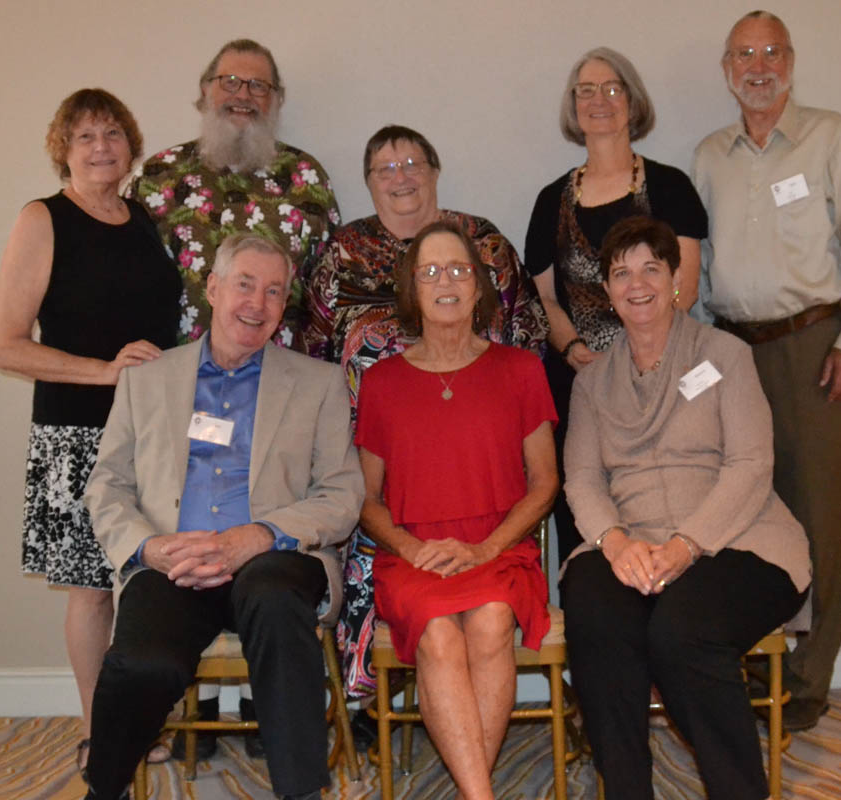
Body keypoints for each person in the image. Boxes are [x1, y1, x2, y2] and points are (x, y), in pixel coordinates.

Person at [82, 233, 364, 800]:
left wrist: (258, 535)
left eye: (274, 291)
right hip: (172, 560)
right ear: (211, 288)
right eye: (244, 284)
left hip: (274, 556)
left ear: (286, 306)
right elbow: (107, 485)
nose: (256, 304)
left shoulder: (319, 383)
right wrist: (150, 548)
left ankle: (301, 790)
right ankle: (103, 791)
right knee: (142, 664)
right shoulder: (148, 377)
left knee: (276, 601)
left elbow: (341, 493)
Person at [692, 10, 841, 731]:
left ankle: (808, 685)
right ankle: (753, 662)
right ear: (725, 67)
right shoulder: (708, 156)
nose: (758, 65)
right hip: (731, 351)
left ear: (791, 61)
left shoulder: (830, 138)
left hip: (814, 350)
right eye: (744, 53)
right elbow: (701, 265)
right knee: (742, 511)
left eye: (771, 51)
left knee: (815, 519)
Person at [561, 216, 811, 800]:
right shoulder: (592, 385)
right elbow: (582, 477)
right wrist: (616, 544)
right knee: (595, 617)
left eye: (652, 267)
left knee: (682, 634)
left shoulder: (726, 354)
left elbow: (751, 465)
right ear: (607, 291)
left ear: (677, 279)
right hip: (632, 542)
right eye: (621, 273)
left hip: (739, 538)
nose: (637, 283)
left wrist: (687, 545)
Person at [303, 124, 548, 704]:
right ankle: (365, 703)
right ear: (367, 183)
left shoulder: (482, 242)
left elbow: (527, 335)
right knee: (420, 610)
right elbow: (310, 351)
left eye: (412, 162)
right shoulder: (341, 253)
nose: (401, 176)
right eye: (384, 168)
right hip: (374, 459)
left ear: (435, 172)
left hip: (482, 462)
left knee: (483, 621)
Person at [0, 88, 180, 777]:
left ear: (130, 145)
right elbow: (8, 347)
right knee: (92, 588)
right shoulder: (43, 219)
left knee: (148, 580)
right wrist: (104, 373)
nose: (101, 148)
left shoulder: (146, 220)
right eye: (84, 138)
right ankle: (102, 732)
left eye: (112, 134)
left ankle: (141, 716)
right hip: (75, 434)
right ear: (62, 150)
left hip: (151, 433)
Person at [355, 221, 557, 799]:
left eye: (459, 270)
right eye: (431, 272)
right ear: (412, 289)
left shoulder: (520, 369)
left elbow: (544, 483)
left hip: (498, 547)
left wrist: (487, 549)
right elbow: (366, 500)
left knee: (493, 620)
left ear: (479, 287)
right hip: (413, 555)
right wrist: (413, 549)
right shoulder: (382, 381)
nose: (446, 282)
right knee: (439, 638)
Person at [525, 47, 708, 566]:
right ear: (572, 106)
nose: (598, 100)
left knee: (666, 499)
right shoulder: (549, 201)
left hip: (664, 377)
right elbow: (543, 298)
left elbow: (684, 288)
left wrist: (637, 357)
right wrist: (576, 347)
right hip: (579, 383)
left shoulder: (672, 187)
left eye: (612, 88)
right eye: (586, 90)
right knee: (584, 506)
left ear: (633, 101)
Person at [127, 38, 339, 352]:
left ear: (276, 100)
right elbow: (124, 279)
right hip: (172, 374)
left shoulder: (307, 179)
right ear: (204, 91)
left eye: (258, 86)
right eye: (229, 82)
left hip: (277, 381)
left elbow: (326, 296)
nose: (242, 95)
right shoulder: (158, 177)